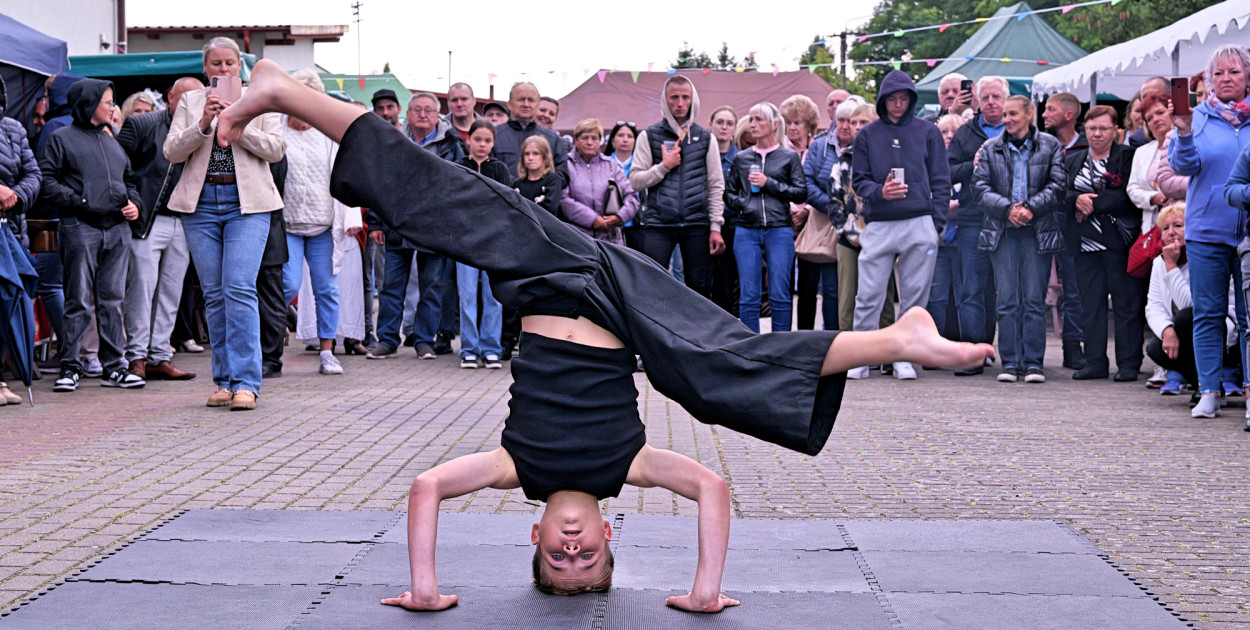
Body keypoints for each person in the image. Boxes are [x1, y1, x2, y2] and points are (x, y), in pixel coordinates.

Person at [215, 58, 994, 609]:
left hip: (543, 269)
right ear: (613, 533)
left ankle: (285, 90)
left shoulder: (512, 467)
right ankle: (897, 338)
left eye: (560, 562)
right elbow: (712, 488)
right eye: (590, 564)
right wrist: (702, 587)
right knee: (712, 369)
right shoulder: (629, 466)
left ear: (534, 535)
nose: (574, 552)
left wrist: (424, 585)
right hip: (624, 301)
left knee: (425, 200)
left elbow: (426, 490)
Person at [163, 37, 285, 411]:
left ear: (240, 66)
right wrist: (204, 122)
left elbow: (277, 150)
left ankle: (248, 382)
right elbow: (172, 151)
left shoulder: (259, 100)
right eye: (215, 64)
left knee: (239, 288)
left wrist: (238, 121)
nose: (223, 70)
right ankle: (224, 380)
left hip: (247, 205)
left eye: (229, 63)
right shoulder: (190, 102)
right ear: (205, 68)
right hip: (200, 205)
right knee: (213, 294)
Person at [39, 78, 145, 392]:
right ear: (88, 104)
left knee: (113, 301)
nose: (113, 106)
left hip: (116, 229)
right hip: (79, 227)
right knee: (78, 301)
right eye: (108, 101)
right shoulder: (60, 139)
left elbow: (130, 183)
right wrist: (82, 204)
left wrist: (135, 206)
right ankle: (70, 366)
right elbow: (47, 181)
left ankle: (114, 368)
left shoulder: (112, 140)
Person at [850, 69, 951, 380]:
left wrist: (935, 224)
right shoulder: (867, 135)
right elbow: (859, 181)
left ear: (911, 99)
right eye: (891, 99)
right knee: (868, 294)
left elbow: (941, 180)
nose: (897, 104)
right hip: (880, 223)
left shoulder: (928, 132)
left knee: (914, 297)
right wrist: (880, 192)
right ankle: (860, 358)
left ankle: (904, 357)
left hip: (919, 222)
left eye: (903, 98)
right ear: (882, 100)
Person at [1169, 45, 1250, 418]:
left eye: (1233, 72)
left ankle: (1249, 389)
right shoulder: (1197, 117)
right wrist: (1184, 133)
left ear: (1247, 77)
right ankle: (1208, 391)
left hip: (1249, 233)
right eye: (1218, 74)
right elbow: (1184, 166)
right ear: (1208, 81)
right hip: (1206, 229)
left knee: (1249, 318)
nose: (1226, 79)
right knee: (1208, 313)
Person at [973, 96, 1067, 383]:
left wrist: (1030, 209)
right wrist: (1007, 210)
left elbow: (1058, 184)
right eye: (1004, 114)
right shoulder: (990, 148)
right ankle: (1010, 363)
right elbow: (979, 187)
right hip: (1002, 231)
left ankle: (1034, 363)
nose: (1007, 119)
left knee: (1034, 299)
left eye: (1013, 113)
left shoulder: (1051, 145)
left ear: (1029, 115)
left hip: (1037, 230)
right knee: (1007, 300)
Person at [117, 77, 203, 383]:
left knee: (171, 291)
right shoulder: (143, 124)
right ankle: (136, 356)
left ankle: (159, 355)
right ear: (171, 97)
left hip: (184, 219)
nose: (194, 105)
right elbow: (119, 168)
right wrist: (131, 200)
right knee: (142, 289)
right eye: (187, 98)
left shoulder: (202, 130)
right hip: (147, 219)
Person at [281, 71, 357, 376]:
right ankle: (269, 340)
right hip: (285, 223)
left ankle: (327, 352)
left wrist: (352, 216)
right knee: (286, 285)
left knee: (327, 288)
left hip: (323, 224)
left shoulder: (329, 134)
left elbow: (346, 175)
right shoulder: (277, 129)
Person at [1064, 105, 1146, 383]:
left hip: (1119, 244)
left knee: (1126, 306)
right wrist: (1075, 199)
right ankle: (1095, 362)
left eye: (1103, 128)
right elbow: (1060, 191)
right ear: (1084, 130)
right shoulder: (1072, 159)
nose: (1097, 134)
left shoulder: (1126, 156)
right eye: (1092, 128)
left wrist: (1090, 204)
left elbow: (1126, 195)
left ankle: (1128, 364)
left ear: (1115, 131)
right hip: (1084, 245)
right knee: (1090, 306)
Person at [630, 75, 727, 299]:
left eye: (685, 97)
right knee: (652, 285)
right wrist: (663, 167)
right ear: (665, 100)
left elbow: (715, 184)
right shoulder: (649, 135)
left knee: (699, 288)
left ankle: (696, 334)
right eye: (674, 97)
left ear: (693, 100)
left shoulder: (706, 139)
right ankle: (655, 333)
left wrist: (715, 226)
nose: (680, 103)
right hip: (659, 223)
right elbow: (635, 180)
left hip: (697, 223)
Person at [1144, 203, 1239, 409]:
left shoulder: (1204, 258)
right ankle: (1206, 386)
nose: (1172, 232)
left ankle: (1210, 384)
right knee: (1155, 348)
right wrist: (1166, 329)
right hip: (1187, 331)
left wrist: (1171, 266)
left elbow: (1192, 306)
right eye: (1166, 228)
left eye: (1178, 225)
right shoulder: (1159, 262)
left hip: (1224, 330)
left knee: (1186, 317)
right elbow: (1153, 306)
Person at [946, 76, 1009, 375]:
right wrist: (971, 165)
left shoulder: (1017, 130)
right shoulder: (964, 134)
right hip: (972, 219)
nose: (991, 102)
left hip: (1009, 220)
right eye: (986, 98)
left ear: (1006, 99)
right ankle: (972, 354)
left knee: (1003, 290)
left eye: (997, 97)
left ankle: (998, 350)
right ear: (977, 101)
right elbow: (946, 171)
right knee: (971, 288)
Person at [725, 102, 806, 333]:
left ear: (775, 124)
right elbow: (728, 194)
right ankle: (752, 351)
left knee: (779, 293)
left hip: (779, 229)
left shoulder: (788, 157)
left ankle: (781, 350)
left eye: (759, 119)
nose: (753, 124)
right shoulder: (741, 158)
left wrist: (768, 183)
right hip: (746, 230)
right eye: (751, 119)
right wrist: (745, 204)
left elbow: (800, 192)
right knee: (748, 295)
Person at [400, 92, 463, 359]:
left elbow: (458, 179)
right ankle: (389, 339)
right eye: (417, 109)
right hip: (399, 221)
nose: (423, 114)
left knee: (433, 285)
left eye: (429, 110)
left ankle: (425, 340)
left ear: (438, 115)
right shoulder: (396, 140)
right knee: (394, 286)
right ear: (408, 113)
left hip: (437, 223)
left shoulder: (450, 143)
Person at [454, 120, 511, 369]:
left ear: (493, 143)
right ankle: (468, 348)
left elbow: (505, 204)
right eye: (478, 139)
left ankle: (490, 348)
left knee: (493, 297)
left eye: (488, 140)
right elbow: (454, 202)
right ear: (468, 139)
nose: (482, 145)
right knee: (467, 295)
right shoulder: (458, 167)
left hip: (494, 240)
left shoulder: (499, 169)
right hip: (465, 240)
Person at [0, 75, 42, 404]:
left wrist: (15, 194)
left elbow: (34, 173)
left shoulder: (13, 128)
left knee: (8, 302)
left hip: (10, 231)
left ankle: (1, 381)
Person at [1040, 91, 1088, 370]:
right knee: (1035, 288)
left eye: (1050, 109)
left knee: (1074, 289)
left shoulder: (1087, 145)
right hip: (1043, 223)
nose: (1044, 114)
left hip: (1074, 226)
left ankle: (1073, 347)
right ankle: (1033, 352)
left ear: (1069, 115)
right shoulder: (1039, 144)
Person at [781, 94, 825, 331]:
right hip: (784, 223)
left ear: (810, 125)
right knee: (783, 285)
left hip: (813, 223)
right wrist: (791, 211)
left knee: (808, 287)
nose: (792, 128)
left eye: (797, 122)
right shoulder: (780, 151)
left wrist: (807, 210)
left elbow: (822, 183)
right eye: (788, 122)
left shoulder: (819, 150)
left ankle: (805, 337)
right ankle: (784, 338)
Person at [561, 119, 639, 246]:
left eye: (594, 138)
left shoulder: (610, 165)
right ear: (576, 139)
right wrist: (593, 220)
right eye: (585, 138)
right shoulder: (565, 164)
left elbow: (632, 196)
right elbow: (563, 199)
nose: (590, 142)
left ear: (600, 141)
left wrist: (619, 218)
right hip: (577, 239)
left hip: (611, 239)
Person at [925, 113, 967, 340]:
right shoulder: (926, 161)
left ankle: (966, 345)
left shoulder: (968, 161)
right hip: (937, 240)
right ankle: (934, 344)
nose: (949, 136)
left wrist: (960, 205)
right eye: (944, 131)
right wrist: (941, 207)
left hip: (963, 240)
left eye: (955, 131)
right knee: (936, 297)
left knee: (965, 296)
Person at [708, 106, 740, 316]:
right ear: (710, 125)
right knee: (703, 281)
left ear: (735, 128)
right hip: (705, 223)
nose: (724, 127)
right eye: (719, 122)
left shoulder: (742, 158)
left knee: (727, 282)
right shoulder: (701, 155)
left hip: (733, 225)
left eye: (729, 123)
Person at [605, 120, 644, 253]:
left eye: (630, 136)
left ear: (635, 142)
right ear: (613, 141)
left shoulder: (643, 166)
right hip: (607, 223)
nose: (625, 139)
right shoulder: (602, 164)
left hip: (637, 224)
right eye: (621, 135)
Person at [513, 135, 563, 217]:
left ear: (545, 157)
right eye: (526, 154)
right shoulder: (517, 184)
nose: (530, 158)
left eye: (536, 153)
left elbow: (549, 209)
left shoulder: (553, 180)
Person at [1127, 77, 1169, 149]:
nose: (1149, 100)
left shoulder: (1191, 126)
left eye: (1154, 95)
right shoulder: (1139, 140)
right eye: (1144, 98)